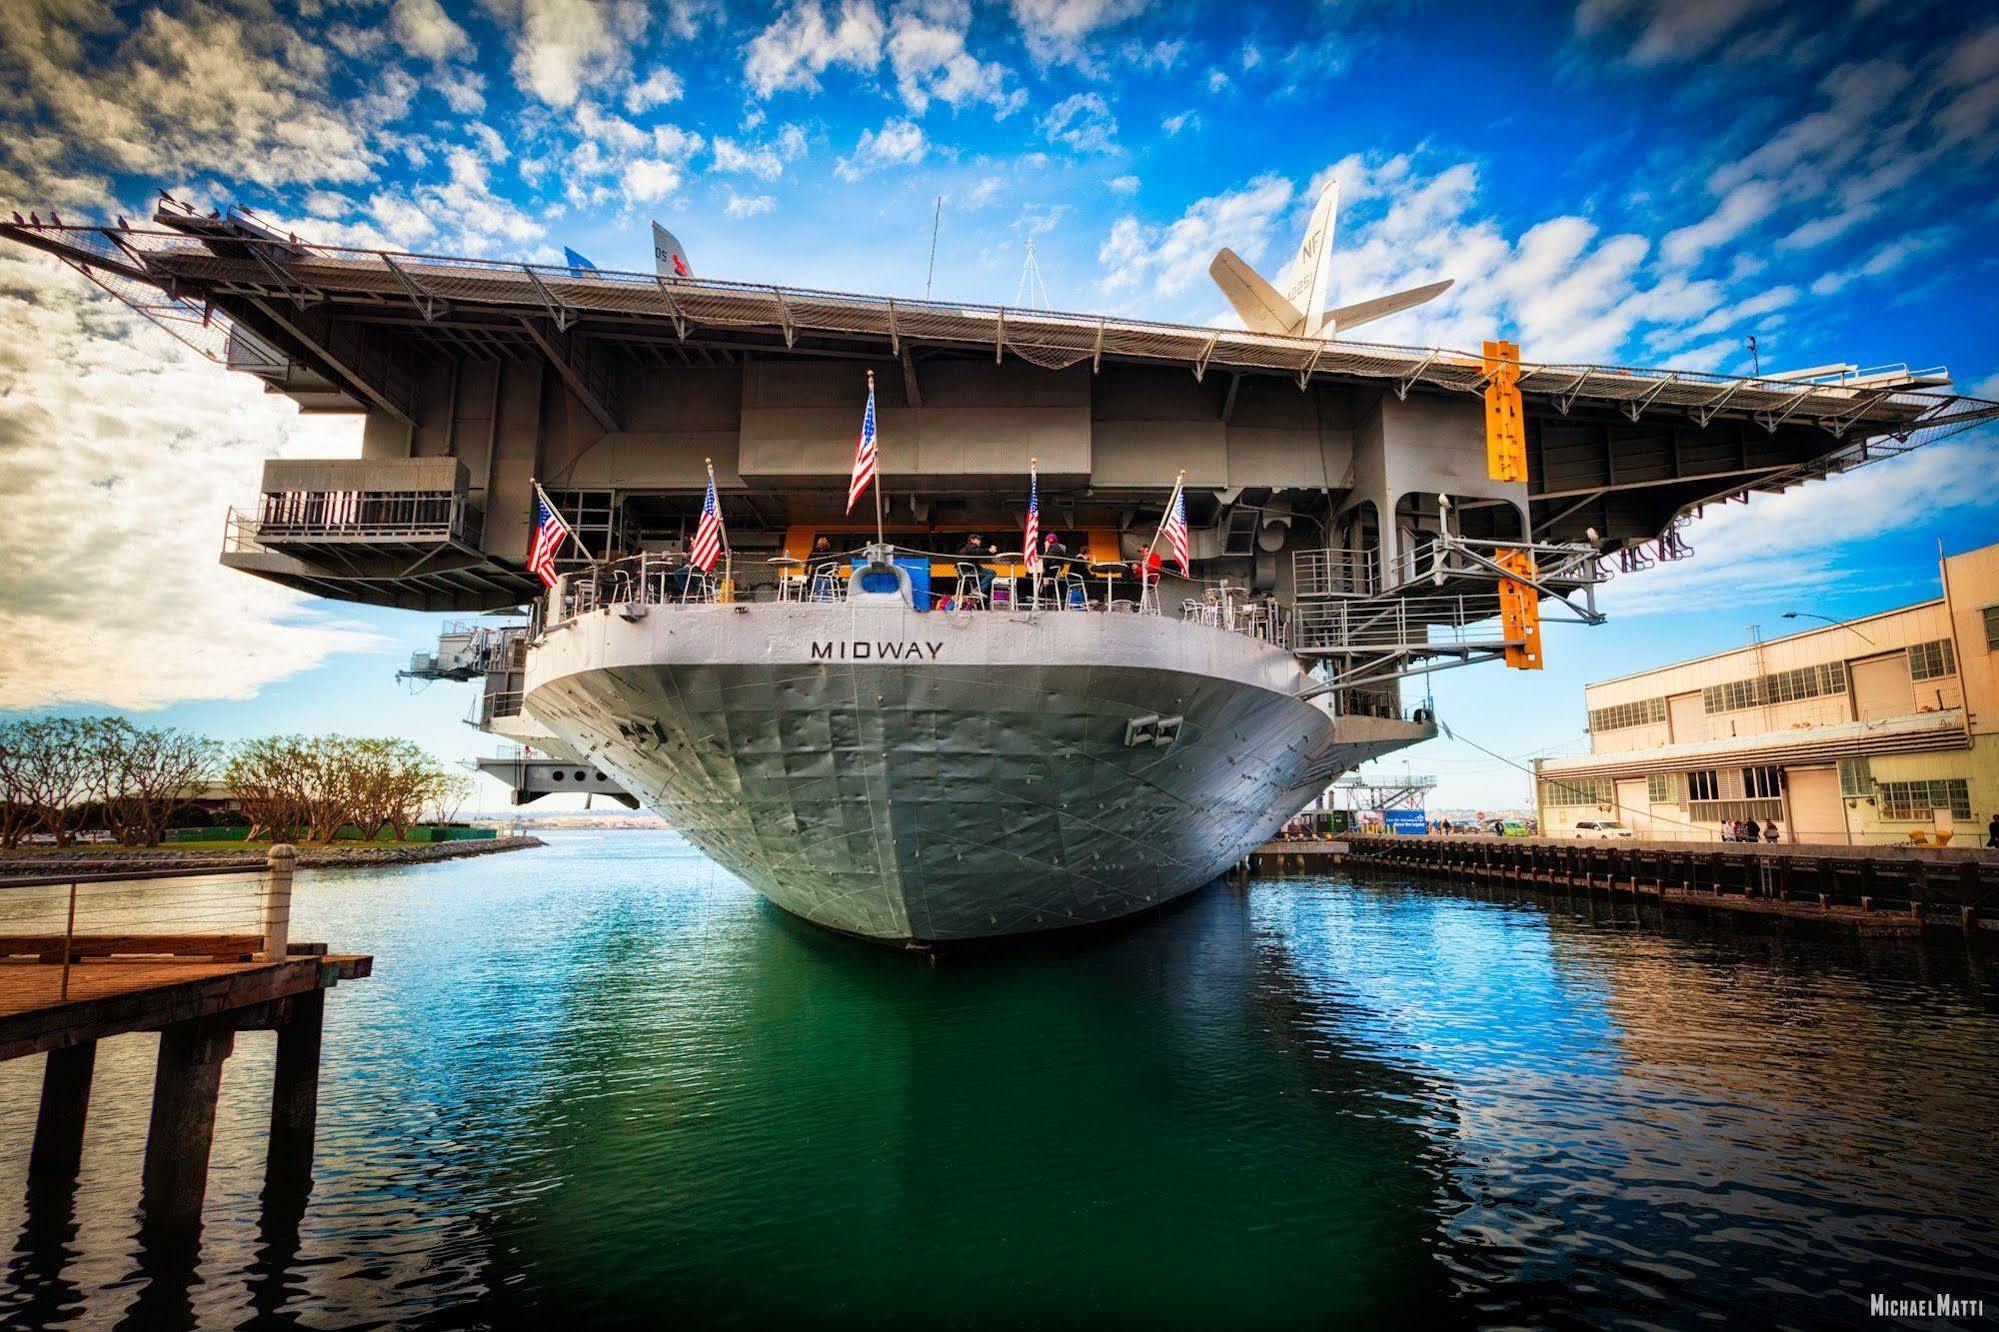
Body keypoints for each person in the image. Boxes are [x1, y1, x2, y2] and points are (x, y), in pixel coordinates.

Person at [956, 533, 995, 601]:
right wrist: (989, 550)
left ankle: (977, 590)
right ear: (972, 540)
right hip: (971, 570)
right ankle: (978, 589)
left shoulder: (963, 549)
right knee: (992, 573)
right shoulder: (972, 546)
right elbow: (977, 552)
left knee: (986, 574)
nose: (979, 541)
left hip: (963, 572)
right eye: (978, 539)